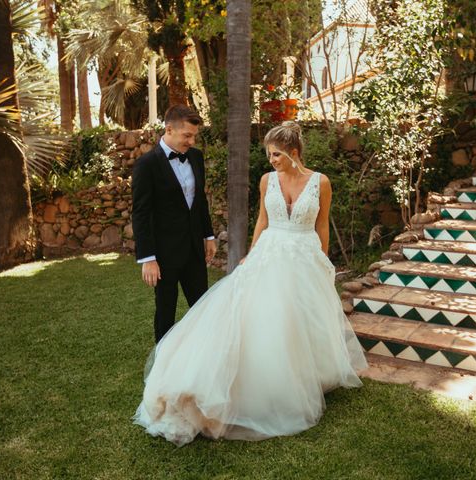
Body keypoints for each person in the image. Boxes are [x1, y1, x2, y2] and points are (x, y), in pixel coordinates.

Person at [133, 121, 368, 446]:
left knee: (300, 319)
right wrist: (251, 254)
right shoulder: (266, 180)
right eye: (269, 154)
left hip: (304, 254)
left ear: (294, 152)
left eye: (277, 155)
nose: (271, 160)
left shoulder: (320, 182)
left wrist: (323, 261)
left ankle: (306, 377)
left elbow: (322, 224)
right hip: (270, 252)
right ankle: (258, 383)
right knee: (262, 319)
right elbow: (262, 220)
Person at [131, 105, 217, 343]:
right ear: (169, 129)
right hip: (164, 254)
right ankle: (164, 365)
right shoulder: (146, 165)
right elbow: (140, 213)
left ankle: (204, 355)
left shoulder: (196, 157)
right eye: (186, 135)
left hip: (193, 249)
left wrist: (208, 236)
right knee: (165, 313)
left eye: (194, 136)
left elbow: (199, 200)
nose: (191, 141)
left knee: (202, 307)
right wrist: (148, 258)